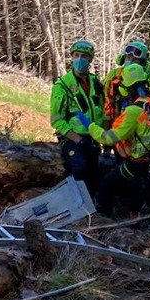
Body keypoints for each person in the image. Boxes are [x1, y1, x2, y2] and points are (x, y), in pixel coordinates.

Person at [87, 62, 150, 219]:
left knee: (107, 184)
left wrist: (90, 127)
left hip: (138, 162)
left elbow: (109, 138)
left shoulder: (134, 111)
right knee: (136, 191)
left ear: (127, 88)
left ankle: (101, 219)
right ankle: (139, 215)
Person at [50, 39, 105, 192]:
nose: (80, 59)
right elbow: (57, 120)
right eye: (76, 55)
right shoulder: (62, 86)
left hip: (94, 139)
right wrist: (79, 140)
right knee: (79, 169)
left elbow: (102, 111)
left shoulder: (96, 83)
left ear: (90, 60)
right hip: (73, 139)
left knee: (94, 178)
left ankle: (94, 212)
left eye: (84, 56)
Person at [101, 39, 150, 122]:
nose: (130, 61)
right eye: (128, 57)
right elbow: (105, 97)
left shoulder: (146, 77)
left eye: (135, 60)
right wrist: (107, 119)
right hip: (117, 118)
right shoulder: (114, 74)